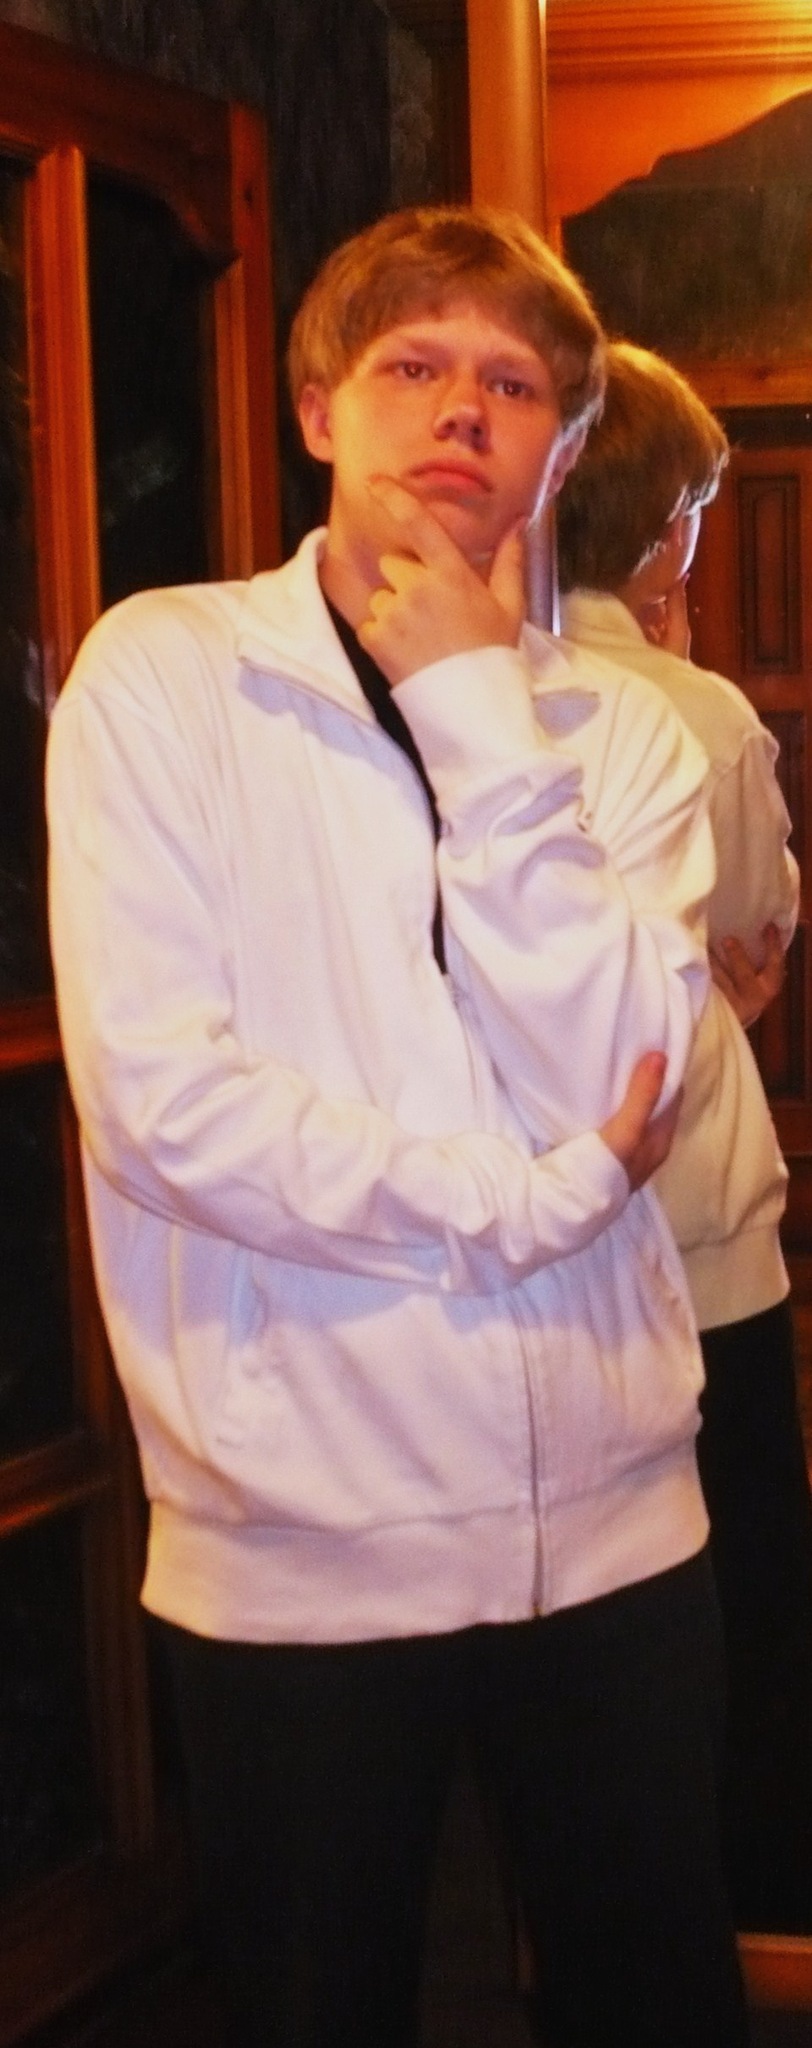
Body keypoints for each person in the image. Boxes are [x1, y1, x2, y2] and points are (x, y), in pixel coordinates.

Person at [46, 208, 749, 2047]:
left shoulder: (626, 737)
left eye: (511, 384)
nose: (460, 412)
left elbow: (631, 1065)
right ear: (317, 408)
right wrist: (524, 1202)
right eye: (413, 366)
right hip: (302, 1544)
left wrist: (472, 702)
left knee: (655, 2007)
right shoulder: (165, 675)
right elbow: (166, 1102)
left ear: (563, 448)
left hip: (614, 1535)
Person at [557, 336, 812, 1932]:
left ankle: (601, 1915)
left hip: (543, 1243)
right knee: (748, 1584)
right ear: (664, 531)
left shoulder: (479, 694)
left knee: (596, 1616)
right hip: (702, 1240)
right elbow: (760, 922)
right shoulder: (692, 709)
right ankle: (762, 1907)